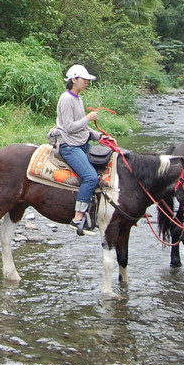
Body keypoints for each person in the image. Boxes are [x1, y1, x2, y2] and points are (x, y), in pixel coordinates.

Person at [48, 64, 104, 236]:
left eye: (88, 80)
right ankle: (77, 219)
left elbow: (82, 129)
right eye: (84, 79)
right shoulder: (66, 99)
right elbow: (69, 127)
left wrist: (99, 137)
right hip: (69, 145)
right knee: (90, 176)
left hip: (80, 142)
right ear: (74, 80)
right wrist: (88, 118)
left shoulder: (78, 98)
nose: (87, 82)